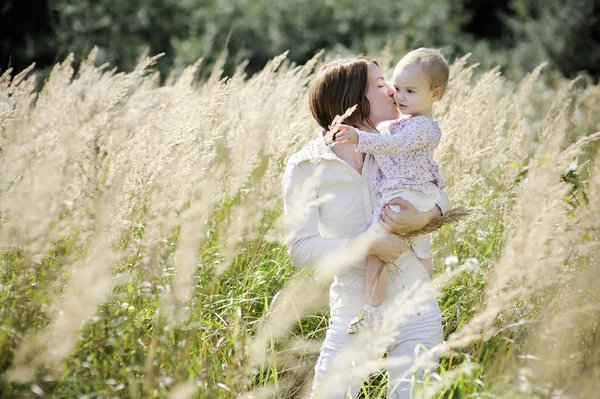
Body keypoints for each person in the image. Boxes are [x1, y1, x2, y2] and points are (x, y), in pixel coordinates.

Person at [281, 56, 449, 399]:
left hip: (416, 306)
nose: (391, 91)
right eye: (380, 84)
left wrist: (426, 215)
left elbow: (435, 189)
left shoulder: (396, 143)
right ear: (352, 101)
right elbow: (300, 249)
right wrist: (367, 244)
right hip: (355, 314)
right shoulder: (306, 166)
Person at [334, 48, 449, 334]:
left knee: (377, 249)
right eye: (397, 88)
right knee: (421, 254)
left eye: (410, 91)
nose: (398, 96)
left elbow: (392, 146)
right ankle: (423, 302)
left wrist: (360, 137)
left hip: (407, 197)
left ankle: (373, 312)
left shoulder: (423, 128)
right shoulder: (405, 123)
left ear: (435, 94)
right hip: (413, 195)